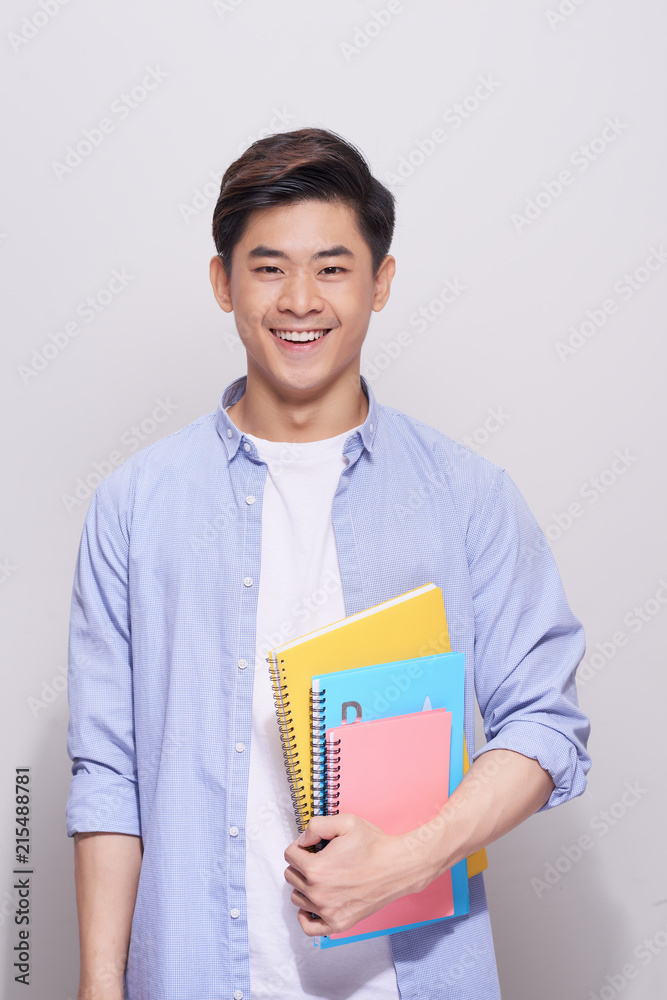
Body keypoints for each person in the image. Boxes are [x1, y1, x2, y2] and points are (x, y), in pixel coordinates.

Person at [66, 127, 591, 1000]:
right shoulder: (134, 506)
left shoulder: (467, 496)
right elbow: (107, 776)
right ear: (221, 281)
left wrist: (408, 858)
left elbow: (543, 724)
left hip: (415, 978)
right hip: (197, 974)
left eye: (333, 268)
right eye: (268, 267)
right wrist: (96, 986)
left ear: (380, 283)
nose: (298, 300)